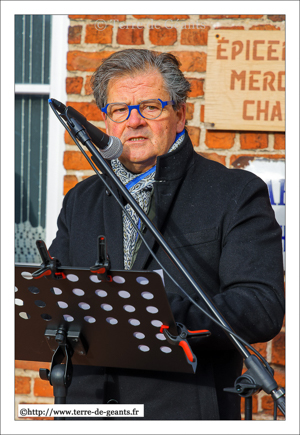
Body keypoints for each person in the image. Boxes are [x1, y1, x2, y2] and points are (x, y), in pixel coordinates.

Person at [49, 49, 285, 420]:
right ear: (107, 121)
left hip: (183, 409)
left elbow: (261, 306)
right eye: (119, 110)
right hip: (85, 409)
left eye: (150, 107)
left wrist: (161, 315)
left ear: (180, 114)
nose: (134, 122)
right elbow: (56, 297)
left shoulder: (235, 192)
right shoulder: (81, 199)